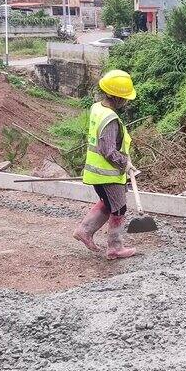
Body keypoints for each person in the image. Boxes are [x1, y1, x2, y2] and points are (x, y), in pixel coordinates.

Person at [73, 69, 139, 259]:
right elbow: (108, 150)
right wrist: (124, 163)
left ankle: (84, 230)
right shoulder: (110, 119)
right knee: (119, 208)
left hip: (97, 172)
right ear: (117, 97)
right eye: (125, 98)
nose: (126, 101)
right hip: (107, 173)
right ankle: (115, 248)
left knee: (108, 203)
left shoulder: (97, 108)